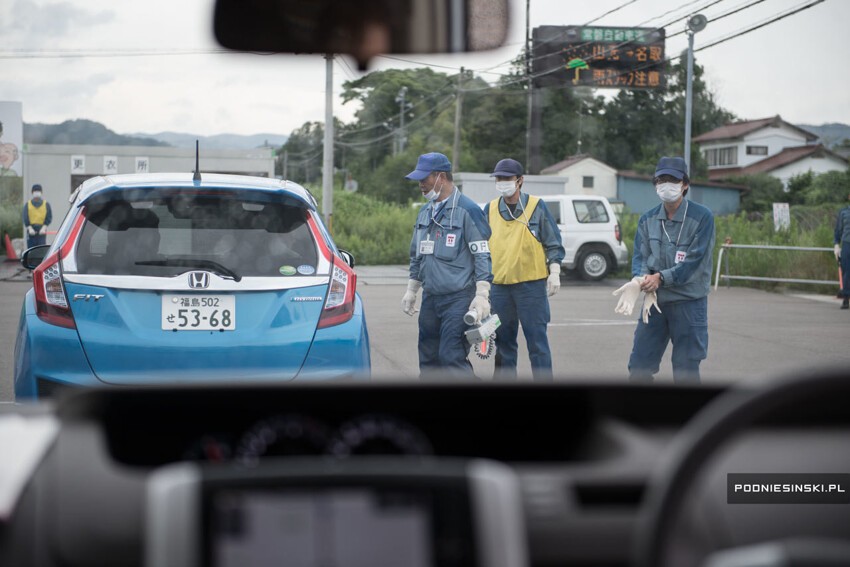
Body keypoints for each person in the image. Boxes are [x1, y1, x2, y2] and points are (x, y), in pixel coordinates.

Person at [615, 156, 715, 383]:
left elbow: (694, 261)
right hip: (654, 303)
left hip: (689, 303)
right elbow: (640, 256)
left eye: (672, 180)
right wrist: (639, 280)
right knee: (639, 367)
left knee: (686, 369)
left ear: (685, 184)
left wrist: (660, 278)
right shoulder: (647, 219)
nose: (666, 185)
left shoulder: (702, 217)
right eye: (661, 180)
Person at [401, 152, 493, 378]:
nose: (421, 184)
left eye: (425, 179)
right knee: (429, 358)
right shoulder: (425, 213)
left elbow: (482, 254)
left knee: (451, 358)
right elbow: (417, 255)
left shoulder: (467, 210)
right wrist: (412, 290)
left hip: (459, 298)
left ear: (441, 177)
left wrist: (482, 294)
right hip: (431, 298)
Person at [483, 158, 565, 381]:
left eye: (507, 178)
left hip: (531, 287)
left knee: (537, 342)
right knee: (503, 343)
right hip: (499, 288)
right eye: (499, 178)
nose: (502, 183)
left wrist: (555, 271)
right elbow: (480, 248)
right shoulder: (489, 209)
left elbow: (553, 242)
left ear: (520, 181)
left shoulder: (536, 206)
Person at [22, 184, 52, 249]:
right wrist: (29, 228)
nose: (37, 193)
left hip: (41, 231)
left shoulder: (46, 204)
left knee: (41, 249)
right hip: (31, 231)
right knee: (31, 250)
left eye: (38, 191)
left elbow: (49, 217)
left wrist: (44, 227)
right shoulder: (28, 204)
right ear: (32, 192)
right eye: (35, 191)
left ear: (41, 192)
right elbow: (25, 218)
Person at [834, 194, 850, 309]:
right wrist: (836, 244)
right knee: (846, 272)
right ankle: (846, 299)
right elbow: (838, 229)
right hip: (846, 244)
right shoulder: (843, 212)